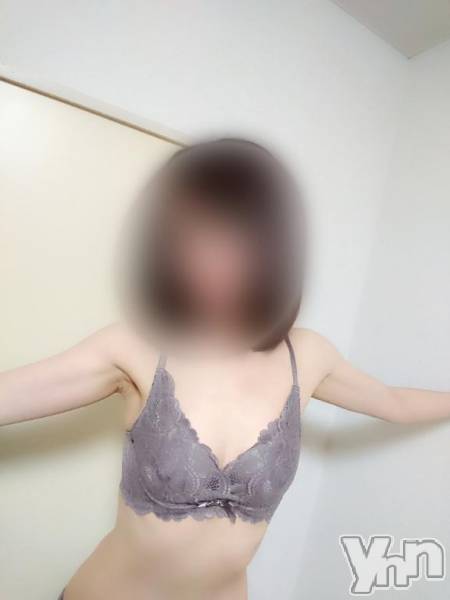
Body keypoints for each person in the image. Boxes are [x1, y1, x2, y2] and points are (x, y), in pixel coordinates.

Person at [1, 138, 449, 600]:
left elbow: (395, 403)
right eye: (192, 236)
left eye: (232, 236)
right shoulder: (137, 347)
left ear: (271, 242)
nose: (210, 260)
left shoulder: (307, 357)